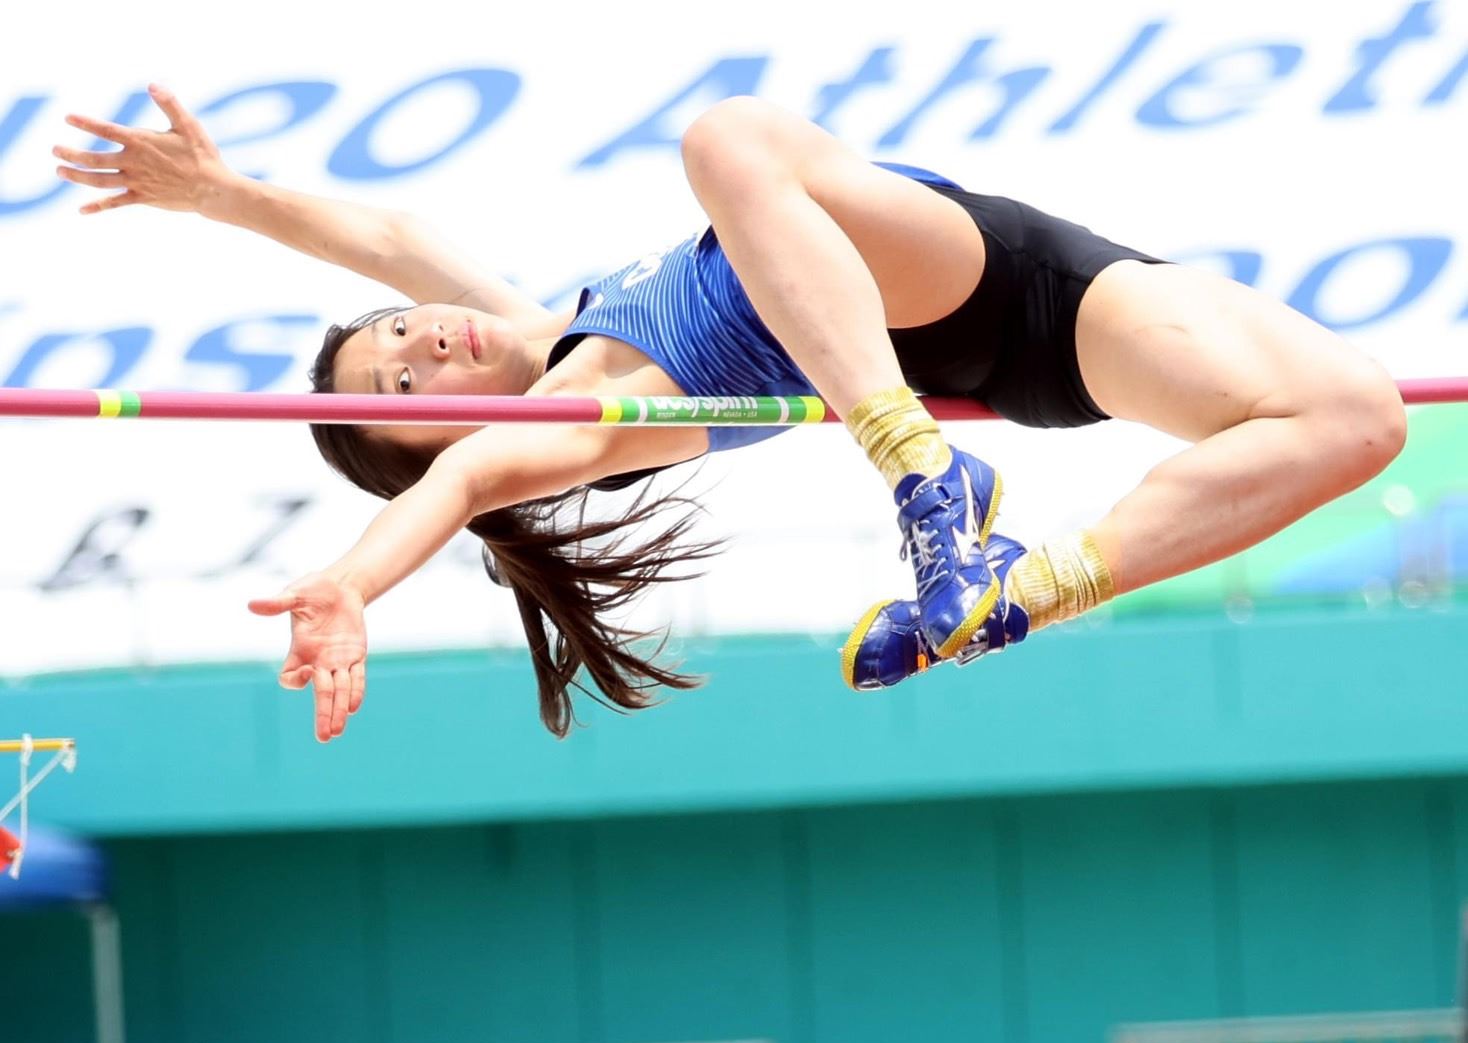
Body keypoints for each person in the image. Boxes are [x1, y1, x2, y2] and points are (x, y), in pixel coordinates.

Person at [55, 87, 1407, 742]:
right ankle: (925, 486)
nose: (420, 346)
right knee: (730, 144)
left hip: (1059, 307)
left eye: (395, 339)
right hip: (964, 294)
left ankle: (1017, 584)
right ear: (468, 438)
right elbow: (456, 489)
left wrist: (221, 197)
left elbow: (387, 230)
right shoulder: (583, 410)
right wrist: (351, 580)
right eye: (408, 396)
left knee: (1357, 421)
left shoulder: (547, 310)